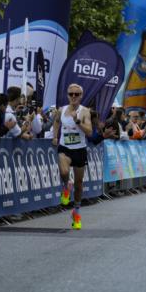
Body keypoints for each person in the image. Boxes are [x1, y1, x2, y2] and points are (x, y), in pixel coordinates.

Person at [53, 83, 92, 230]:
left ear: (81, 96)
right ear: (67, 95)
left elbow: (89, 131)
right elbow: (56, 122)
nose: (74, 97)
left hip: (80, 150)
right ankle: (65, 187)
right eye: (71, 94)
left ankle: (76, 211)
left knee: (79, 184)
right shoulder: (61, 110)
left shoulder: (85, 112)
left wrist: (77, 121)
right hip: (65, 148)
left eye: (77, 94)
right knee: (63, 172)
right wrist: (55, 136)